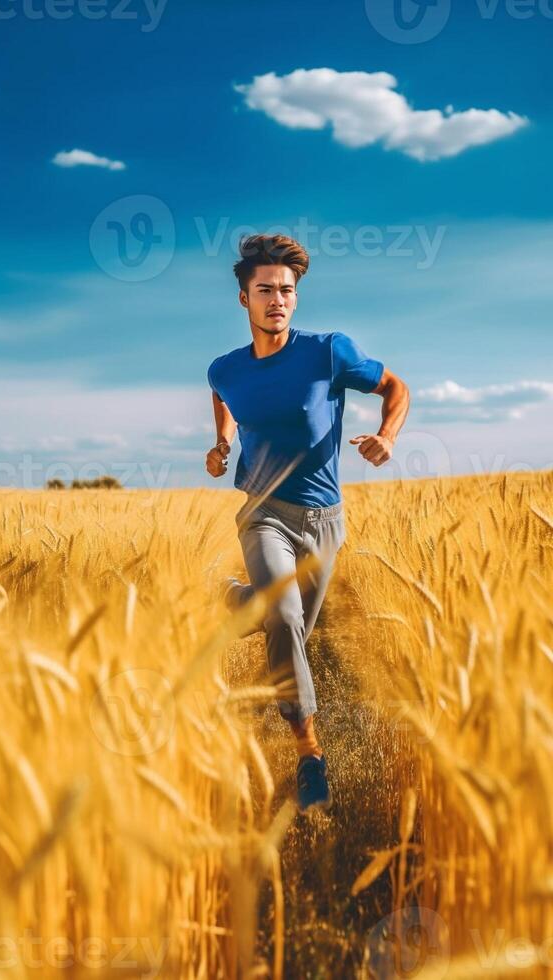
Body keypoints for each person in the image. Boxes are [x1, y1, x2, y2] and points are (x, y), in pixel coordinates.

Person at [206, 234, 410, 812]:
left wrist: (387, 437)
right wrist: (221, 443)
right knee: (287, 614)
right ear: (243, 297)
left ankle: (231, 598)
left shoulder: (327, 352)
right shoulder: (226, 368)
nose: (278, 299)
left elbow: (396, 385)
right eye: (265, 290)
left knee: (285, 620)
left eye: (287, 291)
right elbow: (220, 394)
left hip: (324, 521)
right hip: (263, 512)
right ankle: (309, 753)